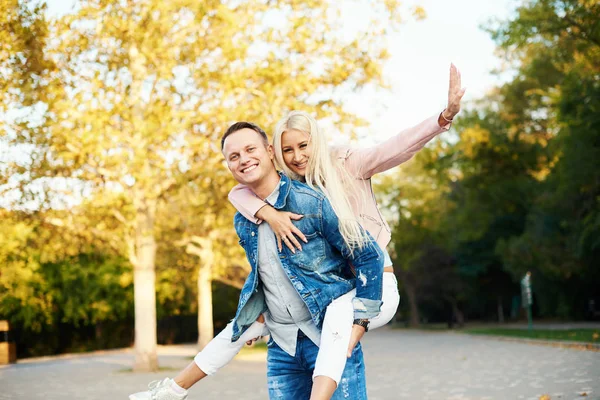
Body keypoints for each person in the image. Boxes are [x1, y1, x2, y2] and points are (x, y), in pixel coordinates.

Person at [130, 121, 384, 400]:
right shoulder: (243, 220)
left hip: (327, 337)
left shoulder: (312, 202)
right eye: (234, 156)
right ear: (228, 165)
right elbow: (266, 273)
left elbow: (368, 254)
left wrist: (360, 322)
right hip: (282, 347)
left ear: (270, 151)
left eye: (250, 149)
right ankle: (172, 391)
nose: (244, 160)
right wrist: (253, 309)